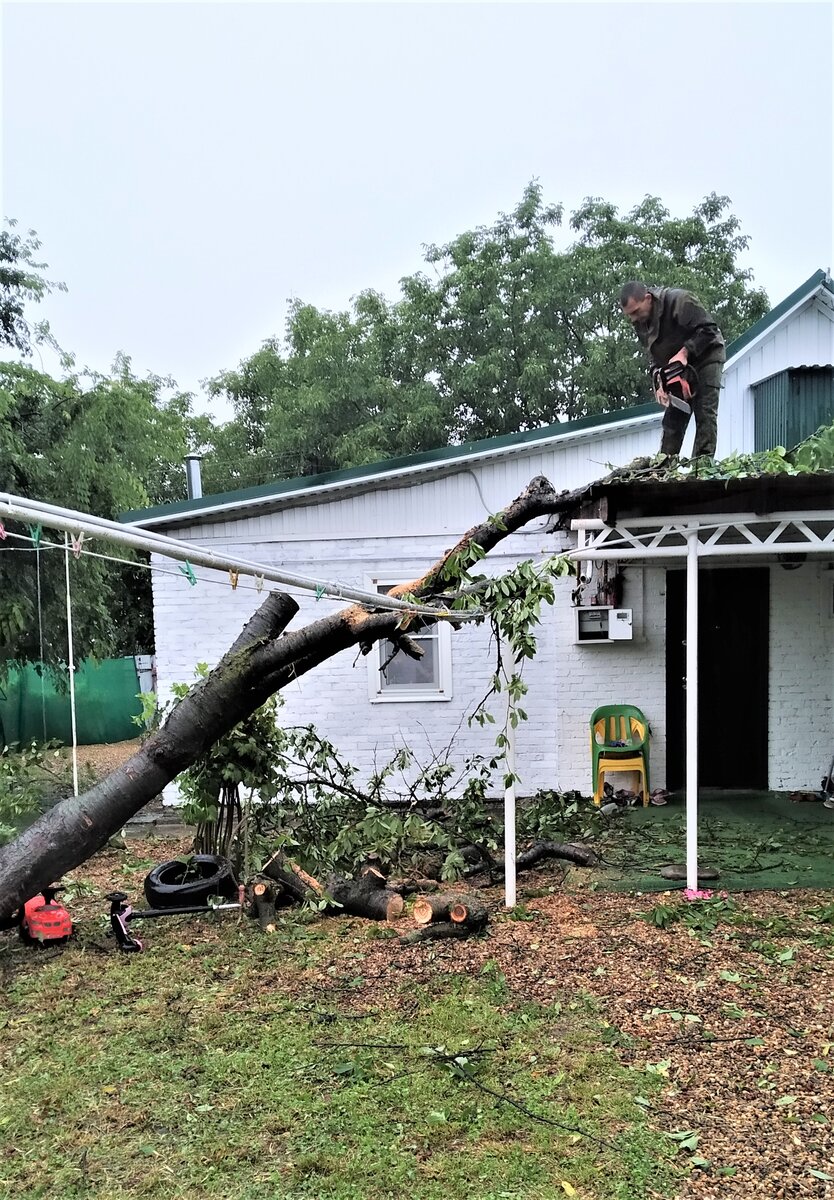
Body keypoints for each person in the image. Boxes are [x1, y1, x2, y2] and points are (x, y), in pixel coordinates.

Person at [620, 281, 726, 459]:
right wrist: (659, 381)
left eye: (636, 312)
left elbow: (709, 331)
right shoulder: (640, 322)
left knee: (704, 413)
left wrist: (685, 352)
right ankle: (663, 468)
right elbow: (653, 356)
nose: (633, 319)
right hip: (676, 369)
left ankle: (701, 468)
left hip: (706, 357)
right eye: (629, 315)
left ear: (648, 298)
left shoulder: (680, 301)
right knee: (673, 418)